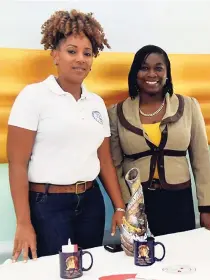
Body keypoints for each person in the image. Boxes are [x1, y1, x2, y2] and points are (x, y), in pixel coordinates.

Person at [7, 10, 126, 261]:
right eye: (72, 51)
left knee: (90, 273)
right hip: (48, 206)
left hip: (91, 203)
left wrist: (118, 206)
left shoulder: (96, 103)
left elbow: (105, 161)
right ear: (55, 55)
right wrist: (23, 223)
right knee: (56, 277)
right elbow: (18, 164)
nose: (80, 59)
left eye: (87, 53)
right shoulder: (33, 96)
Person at [108, 45, 210, 237]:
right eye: (144, 68)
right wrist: (125, 205)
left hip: (179, 200)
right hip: (137, 202)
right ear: (135, 73)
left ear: (167, 74)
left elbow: (201, 159)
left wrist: (206, 208)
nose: (151, 74)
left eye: (158, 68)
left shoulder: (189, 106)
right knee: (141, 259)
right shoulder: (116, 113)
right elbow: (115, 165)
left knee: (181, 259)